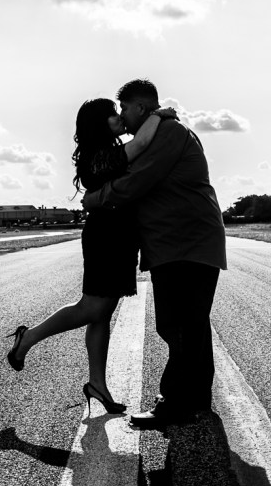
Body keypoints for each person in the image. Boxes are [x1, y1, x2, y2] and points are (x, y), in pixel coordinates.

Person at [5, 97, 176, 416]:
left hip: (122, 237)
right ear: (100, 123)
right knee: (93, 306)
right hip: (105, 237)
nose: (118, 118)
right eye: (113, 114)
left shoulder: (108, 149)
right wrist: (157, 115)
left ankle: (97, 384)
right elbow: (138, 147)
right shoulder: (97, 156)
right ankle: (29, 337)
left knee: (102, 313)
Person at [81, 79, 227, 428]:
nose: (122, 117)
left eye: (124, 109)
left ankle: (175, 404)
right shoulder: (161, 132)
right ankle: (196, 401)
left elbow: (135, 183)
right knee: (190, 325)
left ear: (140, 108)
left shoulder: (168, 134)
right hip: (180, 242)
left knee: (176, 324)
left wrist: (93, 199)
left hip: (184, 243)